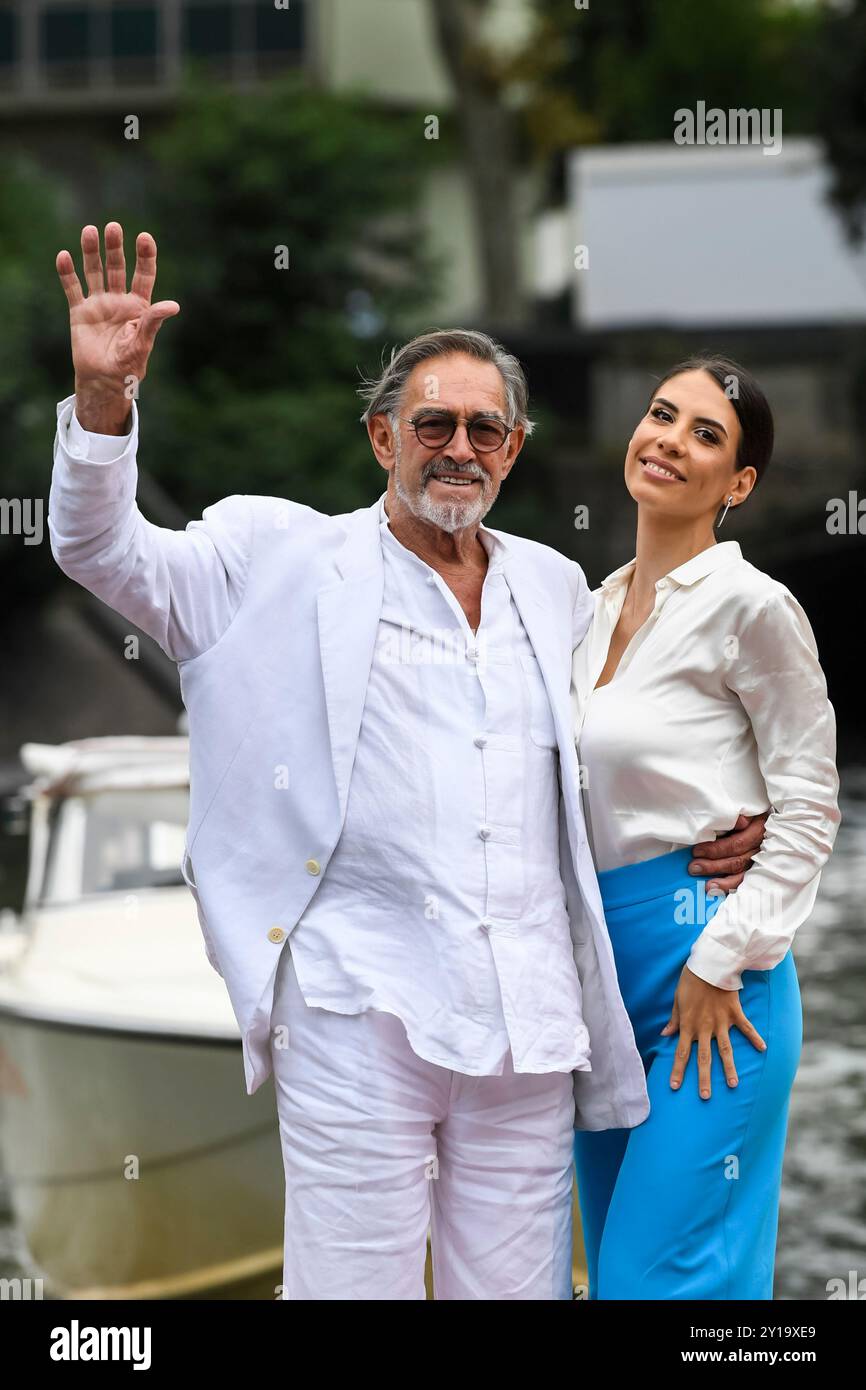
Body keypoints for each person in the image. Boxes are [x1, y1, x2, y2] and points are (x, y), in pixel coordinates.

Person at [50, 224, 766, 1300]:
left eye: (485, 428)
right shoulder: (271, 555)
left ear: (513, 449)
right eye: (431, 422)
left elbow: (639, 738)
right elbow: (103, 550)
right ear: (381, 438)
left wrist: (722, 819)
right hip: (356, 1006)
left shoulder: (559, 589)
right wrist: (103, 404)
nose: (459, 447)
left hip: (527, 1018)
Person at [570, 355, 841, 1300]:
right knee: (615, 1275)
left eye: (706, 435)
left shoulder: (752, 607)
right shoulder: (582, 610)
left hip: (710, 982)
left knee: (659, 1283)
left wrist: (717, 960)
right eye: (661, 415)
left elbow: (810, 801)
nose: (670, 441)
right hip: (593, 990)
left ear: (741, 483)